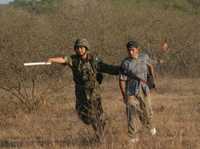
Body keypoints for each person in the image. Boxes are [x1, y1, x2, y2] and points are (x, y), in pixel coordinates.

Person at [48, 38, 119, 141]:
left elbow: (107, 68)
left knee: (97, 114)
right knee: (83, 114)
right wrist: (52, 60)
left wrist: (121, 69)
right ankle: (99, 129)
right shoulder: (74, 60)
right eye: (77, 48)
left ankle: (100, 136)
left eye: (81, 48)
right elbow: (64, 59)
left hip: (93, 92)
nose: (79, 50)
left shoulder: (94, 60)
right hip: (81, 92)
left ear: (86, 48)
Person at [119, 40, 156, 143]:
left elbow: (150, 66)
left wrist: (152, 78)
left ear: (137, 49)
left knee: (147, 111)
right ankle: (133, 137)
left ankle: (151, 129)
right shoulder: (125, 63)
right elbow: (121, 80)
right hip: (131, 91)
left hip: (144, 89)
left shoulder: (144, 57)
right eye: (129, 50)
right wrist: (124, 95)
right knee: (131, 113)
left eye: (132, 50)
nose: (130, 52)